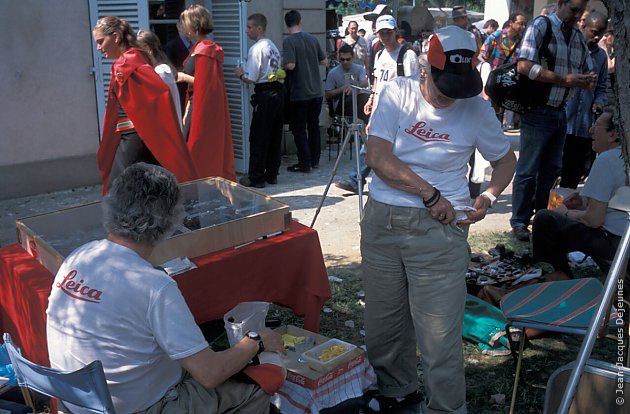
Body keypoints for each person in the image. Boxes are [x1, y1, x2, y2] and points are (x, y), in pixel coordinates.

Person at [46, 163, 286, 414]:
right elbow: (210, 374)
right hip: (137, 408)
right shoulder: (153, 286)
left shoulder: (78, 256)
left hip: (77, 402)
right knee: (258, 386)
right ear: (170, 219)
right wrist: (255, 341)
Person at [361, 26, 516, 413]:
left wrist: (488, 195)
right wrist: (429, 193)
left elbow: (505, 160)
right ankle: (397, 393)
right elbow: (378, 158)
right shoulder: (399, 92)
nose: (451, 95)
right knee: (385, 325)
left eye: (460, 85)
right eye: (444, 83)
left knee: (439, 337)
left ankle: (446, 408)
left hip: (440, 234)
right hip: (384, 221)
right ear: (424, 69)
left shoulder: (477, 109)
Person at [509, 0, 597, 242]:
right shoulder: (541, 26)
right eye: (574, 10)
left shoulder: (577, 37)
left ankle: (542, 219)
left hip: (560, 112)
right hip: (537, 111)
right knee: (528, 170)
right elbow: (525, 66)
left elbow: (587, 68)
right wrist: (564, 79)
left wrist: (588, 79)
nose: (577, 16)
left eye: (581, 11)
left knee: (550, 171)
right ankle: (519, 222)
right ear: (561, 3)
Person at [92, 16, 197, 194]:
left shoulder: (128, 63)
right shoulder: (131, 61)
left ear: (116, 37)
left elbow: (159, 95)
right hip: (134, 136)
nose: (99, 47)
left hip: (135, 138)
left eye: (101, 41)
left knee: (119, 189)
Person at [532, 109, 625, 277]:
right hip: (622, 240)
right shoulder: (621, 158)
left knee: (544, 219)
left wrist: (566, 212)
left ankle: (558, 277)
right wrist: (582, 201)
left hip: (617, 245)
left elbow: (594, 220)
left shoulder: (607, 160)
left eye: (596, 125)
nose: (590, 130)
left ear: (613, 134)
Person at [336, 15, 419, 195]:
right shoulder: (380, 53)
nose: (385, 37)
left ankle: (396, 182)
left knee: (390, 148)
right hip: (382, 108)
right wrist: (372, 99)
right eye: (382, 33)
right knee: (372, 143)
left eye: (388, 32)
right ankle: (356, 178)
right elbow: (377, 80)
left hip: (401, 110)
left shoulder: (408, 55)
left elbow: (414, 86)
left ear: (395, 31)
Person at [180, 4, 236, 181]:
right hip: (195, 103)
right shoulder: (201, 47)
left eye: (185, 22)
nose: (182, 26)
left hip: (201, 106)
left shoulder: (205, 50)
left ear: (193, 24)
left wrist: (181, 76)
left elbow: (206, 85)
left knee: (195, 150)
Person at [234, 13, 285, 189]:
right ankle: (272, 174)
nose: (247, 31)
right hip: (278, 91)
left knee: (259, 136)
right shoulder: (273, 46)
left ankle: (256, 177)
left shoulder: (256, 49)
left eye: (249, 27)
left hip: (265, 93)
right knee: (274, 136)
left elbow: (251, 78)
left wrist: (240, 74)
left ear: (259, 28)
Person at [561, 11, 609, 189]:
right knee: (553, 170)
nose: (597, 37)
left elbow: (602, 86)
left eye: (601, 33)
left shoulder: (601, 56)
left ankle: (562, 213)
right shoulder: (569, 48)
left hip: (584, 126)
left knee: (574, 175)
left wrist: (600, 101)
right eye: (594, 32)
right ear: (583, 27)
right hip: (563, 121)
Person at [283, 10, 328, 173]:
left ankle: (304, 163)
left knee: (299, 129)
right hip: (316, 91)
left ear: (286, 24)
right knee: (314, 126)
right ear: (300, 21)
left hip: (300, 92)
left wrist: (281, 63)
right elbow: (324, 61)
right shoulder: (312, 38)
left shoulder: (289, 42)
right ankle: (315, 160)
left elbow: (291, 65)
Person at [479, 12, 528, 130]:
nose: (523, 27)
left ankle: (500, 127)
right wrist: (488, 68)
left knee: (503, 106)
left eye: (525, 24)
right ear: (511, 23)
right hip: (493, 78)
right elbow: (481, 55)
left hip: (508, 79)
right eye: (520, 24)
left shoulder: (522, 40)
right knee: (490, 105)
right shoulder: (496, 36)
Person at [137, 29, 183, 132]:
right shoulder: (159, 70)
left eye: (138, 51)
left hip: (167, 131)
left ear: (148, 49)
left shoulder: (161, 72)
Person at [325, 44, 370, 125]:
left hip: (357, 102)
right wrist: (343, 88)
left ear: (352, 58)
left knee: (366, 98)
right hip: (341, 105)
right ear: (339, 59)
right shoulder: (333, 73)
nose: (345, 62)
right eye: (342, 60)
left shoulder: (359, 68)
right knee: (349, 96)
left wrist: (353, 85)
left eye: (348, 59)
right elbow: (328, 94)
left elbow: (365, 82)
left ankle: (364, 127)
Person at [164, 21, 192, 115]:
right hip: (180, 91)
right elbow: (170, 69)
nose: (188, 28)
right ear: (178, 26)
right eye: (186, 25)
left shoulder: (193, 45)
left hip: (192, 91)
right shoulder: (172, 46)